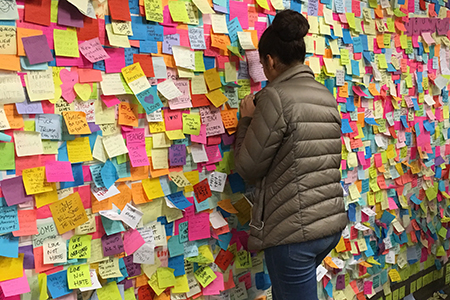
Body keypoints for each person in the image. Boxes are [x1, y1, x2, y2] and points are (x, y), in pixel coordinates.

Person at [234, 9, 348, 300]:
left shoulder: (275, 96)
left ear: (270, 61)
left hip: (293, 234)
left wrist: (246, 121)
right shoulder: (324, 94)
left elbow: (247, 167)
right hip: (328, 224)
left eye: (261, 64)